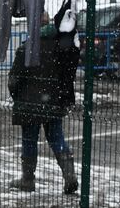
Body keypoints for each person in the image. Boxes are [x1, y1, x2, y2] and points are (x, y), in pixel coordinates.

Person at [7, 17, 78, 194]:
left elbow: (14, 80)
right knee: (56, 137)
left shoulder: (27, 48)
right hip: (53, 101)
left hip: (29, 103)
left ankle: (28, 179)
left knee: (29, 140)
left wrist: (19, 98)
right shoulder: (60, 48)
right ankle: (69, 175)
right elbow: (67, 76)